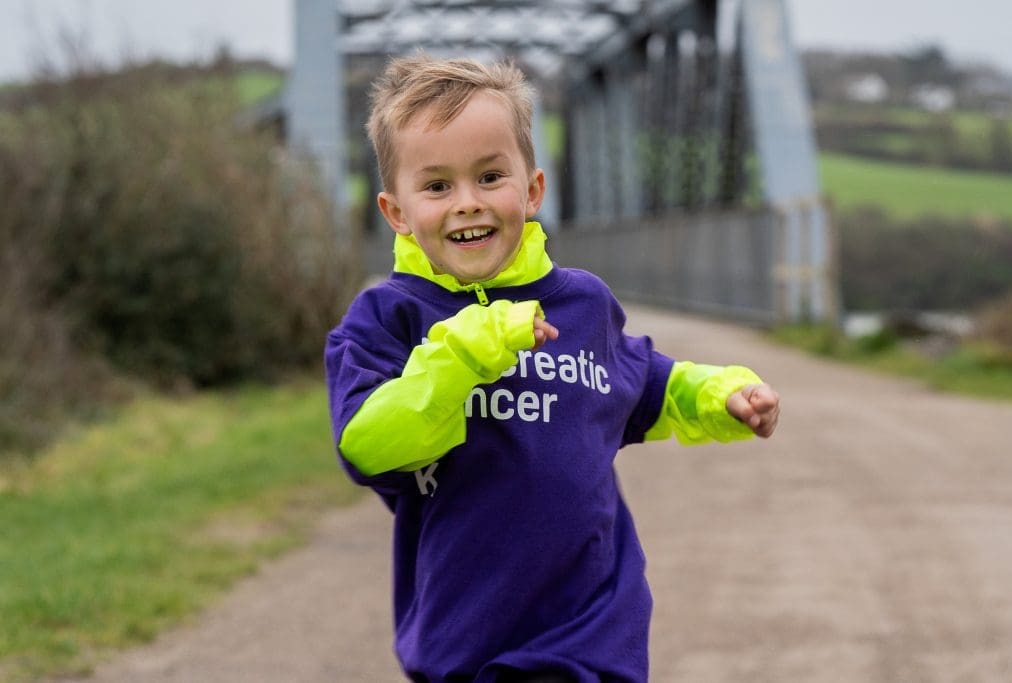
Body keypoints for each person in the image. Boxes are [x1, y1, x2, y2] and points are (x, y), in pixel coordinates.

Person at [324, 54, 780, 683]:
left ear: (533, 189)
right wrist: (463, 354)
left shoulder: (582, 304)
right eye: (436, 186)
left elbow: (646, 382)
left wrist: (721, 395)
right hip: (466, 630)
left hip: (592, 628)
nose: (467, 204)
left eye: (490, 176)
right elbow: (367, 446)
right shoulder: (387, 318)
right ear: (396, 211)